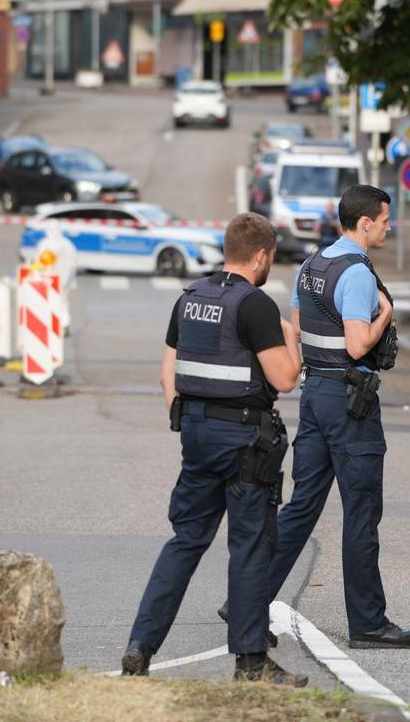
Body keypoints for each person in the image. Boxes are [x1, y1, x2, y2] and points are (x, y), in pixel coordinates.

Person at [122, 212, 307, 685]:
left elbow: (168, 376)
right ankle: (250, 663)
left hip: (197, 436)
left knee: (184, 542)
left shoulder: (190, 299)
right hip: (245, 440)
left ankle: (139, 648)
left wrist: (191, 424)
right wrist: (293, 341)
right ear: (263, 256)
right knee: (249, 547)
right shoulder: (255, 305)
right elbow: (284, 379)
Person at [269, 183, 410, 648]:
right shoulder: (355, 272)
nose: (389, 227)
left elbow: (294, 324)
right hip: (350, 402)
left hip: (315, 395)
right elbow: (358, 344)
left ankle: (246, 599)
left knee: (301, 507)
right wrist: (385, 315)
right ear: (365, 222)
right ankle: (369, 624)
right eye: (386, 220)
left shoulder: (313, 263)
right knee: (360, 513)